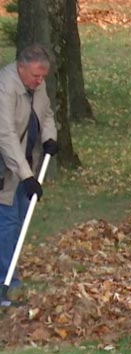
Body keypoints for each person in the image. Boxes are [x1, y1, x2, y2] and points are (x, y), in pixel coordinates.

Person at [0, 44, 57, 298]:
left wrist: (49, 137)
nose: (39, 80)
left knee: (20, 221)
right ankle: (7, 281)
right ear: (21, 67)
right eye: (35, 75)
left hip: (25, 162)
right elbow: (6, 134)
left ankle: (10, 271)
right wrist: (27, 176)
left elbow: (46, 114)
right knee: (8, 222)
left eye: (43, 76)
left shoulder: (37, 84)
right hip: (5, 165)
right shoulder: (5, 86)